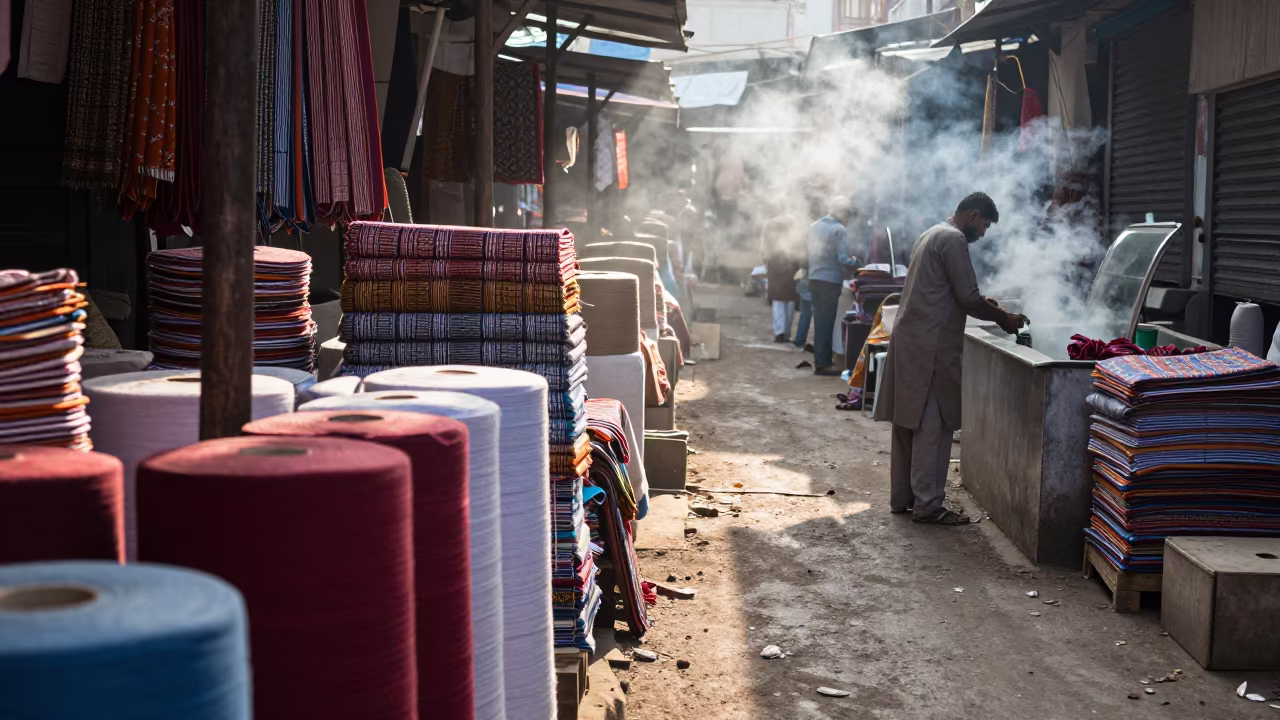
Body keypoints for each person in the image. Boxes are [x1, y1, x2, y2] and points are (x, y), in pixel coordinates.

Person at [873, 193, 1028, 525]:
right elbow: (969, 298)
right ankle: (929, 505)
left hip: (911, 339)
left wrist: (981, 302)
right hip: (930, 345)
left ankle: (904, 498)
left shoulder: (931, 233)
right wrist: (1004, 318)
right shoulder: (954, 239)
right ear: (973, 216)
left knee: (907, 422)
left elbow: (946, 290)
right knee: (933, 425)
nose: (984, 233)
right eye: (984, 226)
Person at [804, 197, 860, 375]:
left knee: (820, 320)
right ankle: (823, 364)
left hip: (814, 277)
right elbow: (842, 258)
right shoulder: (839, 229)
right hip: (830, 280)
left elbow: (806, 252)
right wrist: (857, 263)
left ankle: (821, 360)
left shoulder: (814, 226)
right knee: (827, 322)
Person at [760, 211, 802, 342]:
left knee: (778, 300)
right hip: (792, 263)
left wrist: (764, 261)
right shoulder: (794, 223)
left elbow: (763, 248)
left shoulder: (769, 225)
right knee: (790, 299)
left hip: (774, 264)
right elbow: (800, 245)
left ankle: (779, 331)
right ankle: (787, 332)